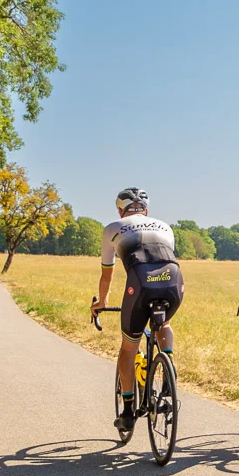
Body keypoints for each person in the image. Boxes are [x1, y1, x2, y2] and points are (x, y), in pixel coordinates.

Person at [91, 187, 183, 436]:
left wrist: (101, 302)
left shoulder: (113, 228)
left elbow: (107, 274)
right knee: (163, 324)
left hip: (141, 283)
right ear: (146, 209)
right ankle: (169, 366)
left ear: (120, 210)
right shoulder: (165, 227)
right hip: (174, 281)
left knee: (128, 348)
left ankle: (128, 412)